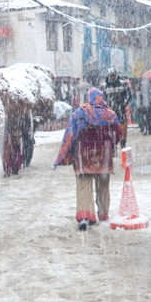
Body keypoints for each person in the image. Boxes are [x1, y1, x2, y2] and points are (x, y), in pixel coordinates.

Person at [54, 87, 123, 231]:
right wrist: (109, 144)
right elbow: (118, 134)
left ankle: (85, 216)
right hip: (103, 154)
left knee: (84, 184)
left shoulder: (80, 113)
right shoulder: (110, 114)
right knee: (103, 184)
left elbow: (70, 134)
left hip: (83, 154)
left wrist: (65, 153)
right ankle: (103, 214)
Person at [102, 69, 132, 148]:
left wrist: (123, 104)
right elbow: (101, 98)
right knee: (110, 127)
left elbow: (128, 96)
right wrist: (105, 106)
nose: (112, 77)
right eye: (111, 76)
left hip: (120, 109)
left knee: (123, 125)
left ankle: (123, 142)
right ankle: (112, 143)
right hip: (109, 110)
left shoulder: (123, 84)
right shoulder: (104, 86)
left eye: (113, 76)